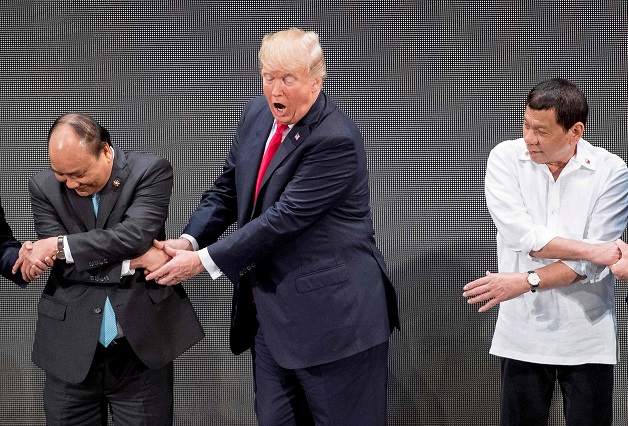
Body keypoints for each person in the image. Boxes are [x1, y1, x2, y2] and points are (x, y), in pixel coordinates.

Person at [146, 28, 400, 425]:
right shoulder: (258, 115)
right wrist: (189, 238)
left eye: (287, 78)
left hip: (335, 325)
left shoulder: (336, 140)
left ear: (316, 80)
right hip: (272, 321)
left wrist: (202, 261)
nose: (274, 89)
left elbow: (282, 220)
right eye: (267, 76)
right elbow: (229, 187)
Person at [14, 113, 204, 425]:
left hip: (139, 350)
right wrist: (136, 262)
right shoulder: (44, 187)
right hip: (69, 351)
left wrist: (64, 246)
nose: (71, 184)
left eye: (78, 174)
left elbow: (134, 236)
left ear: (105, 151)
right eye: (62, 177)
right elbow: (66, 265)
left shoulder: (150, 171)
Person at [462, 78, 628, 425]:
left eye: (541, 130)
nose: (529, 138)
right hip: (521, 332)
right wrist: (593, 251)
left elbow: (589, 266)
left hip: (587, 332)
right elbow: (522, 236)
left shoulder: (610, 171)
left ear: (574, 131)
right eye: (525, 124)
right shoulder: (505, 158)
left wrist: (527, 280)